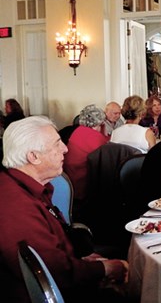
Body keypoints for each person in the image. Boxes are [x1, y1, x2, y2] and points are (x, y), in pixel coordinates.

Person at [0, 116, 127, 301]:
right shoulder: (15, 205)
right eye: (57, 144)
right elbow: (55, 273)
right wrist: (107, 268)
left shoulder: (24, 186)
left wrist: (78, 259)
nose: (65, 149)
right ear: (33, 156)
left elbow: (54, 250)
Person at [63, 104, 109, 214]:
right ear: (99, 121)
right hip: (83, 183)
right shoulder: (94, 137)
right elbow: (106, 151)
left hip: (71, 178)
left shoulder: (78, 131)